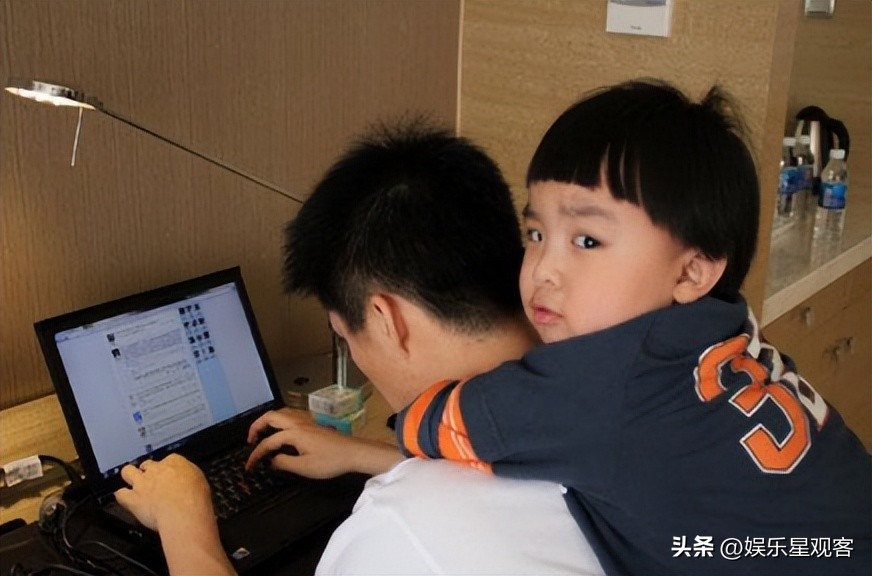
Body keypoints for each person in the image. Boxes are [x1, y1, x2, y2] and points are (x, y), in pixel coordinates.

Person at [394, 80, 872, 575]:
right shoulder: (729, 320)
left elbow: (427, 423)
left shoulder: (596, 387)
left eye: (587, 241)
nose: (542, 269)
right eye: (535, 233)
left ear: (691, 272)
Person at [114, 122, 605, 575]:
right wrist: (366, 453)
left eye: (345, 336)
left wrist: (184, 523)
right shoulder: (602, 387)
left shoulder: (399, 532)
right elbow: (511, 479)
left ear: (385, 320)